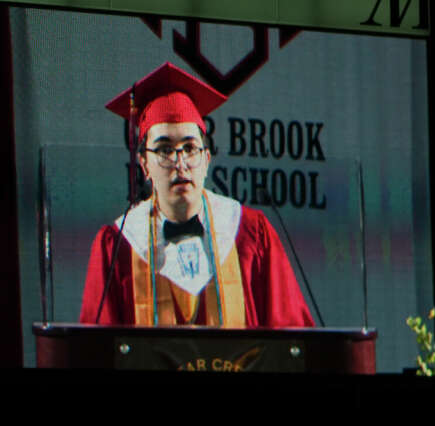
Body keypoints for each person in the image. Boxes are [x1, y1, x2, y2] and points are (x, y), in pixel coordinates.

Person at [79, 62, 315, 328]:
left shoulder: (250, 232)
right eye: (165, 149)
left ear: (206, 159)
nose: (180, 163)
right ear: (145, 165)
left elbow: (291, 335)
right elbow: (97, 348)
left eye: (190, 147)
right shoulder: (118, 245)